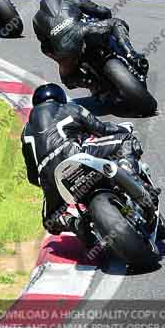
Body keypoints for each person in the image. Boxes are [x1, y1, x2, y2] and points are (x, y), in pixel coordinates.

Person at [21, 83, 155, 240]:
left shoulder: (25, 132)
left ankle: (76, 224)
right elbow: (101, 129)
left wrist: (48, 182)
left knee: (50, 221)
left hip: (49, 177)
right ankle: (131, 176)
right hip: (73, 154)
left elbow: (32, 177)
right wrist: (123, 129)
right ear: (60, 98)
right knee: (126, 140)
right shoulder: (70, 108)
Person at [32, 0, 148, 93]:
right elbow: (101, 11)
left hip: (64, 53)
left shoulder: (36, 19)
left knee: (67, 79)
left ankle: (93, 85)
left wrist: (60, 56)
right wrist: (105, 14)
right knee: (117, 23)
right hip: (84, 31)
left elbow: (45, 47)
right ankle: (132, 56)